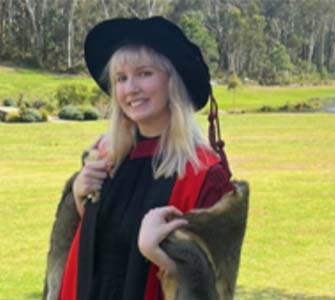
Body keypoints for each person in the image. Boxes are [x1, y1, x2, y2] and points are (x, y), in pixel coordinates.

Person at [57, 16, 234, 300]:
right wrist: (80, 199)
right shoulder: (107, 157)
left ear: (172, 81)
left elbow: (214, 286)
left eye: (144, 73)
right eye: (121, 78)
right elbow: (103, 246)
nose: (130, 89)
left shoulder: (204, 174)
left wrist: (157, 253)